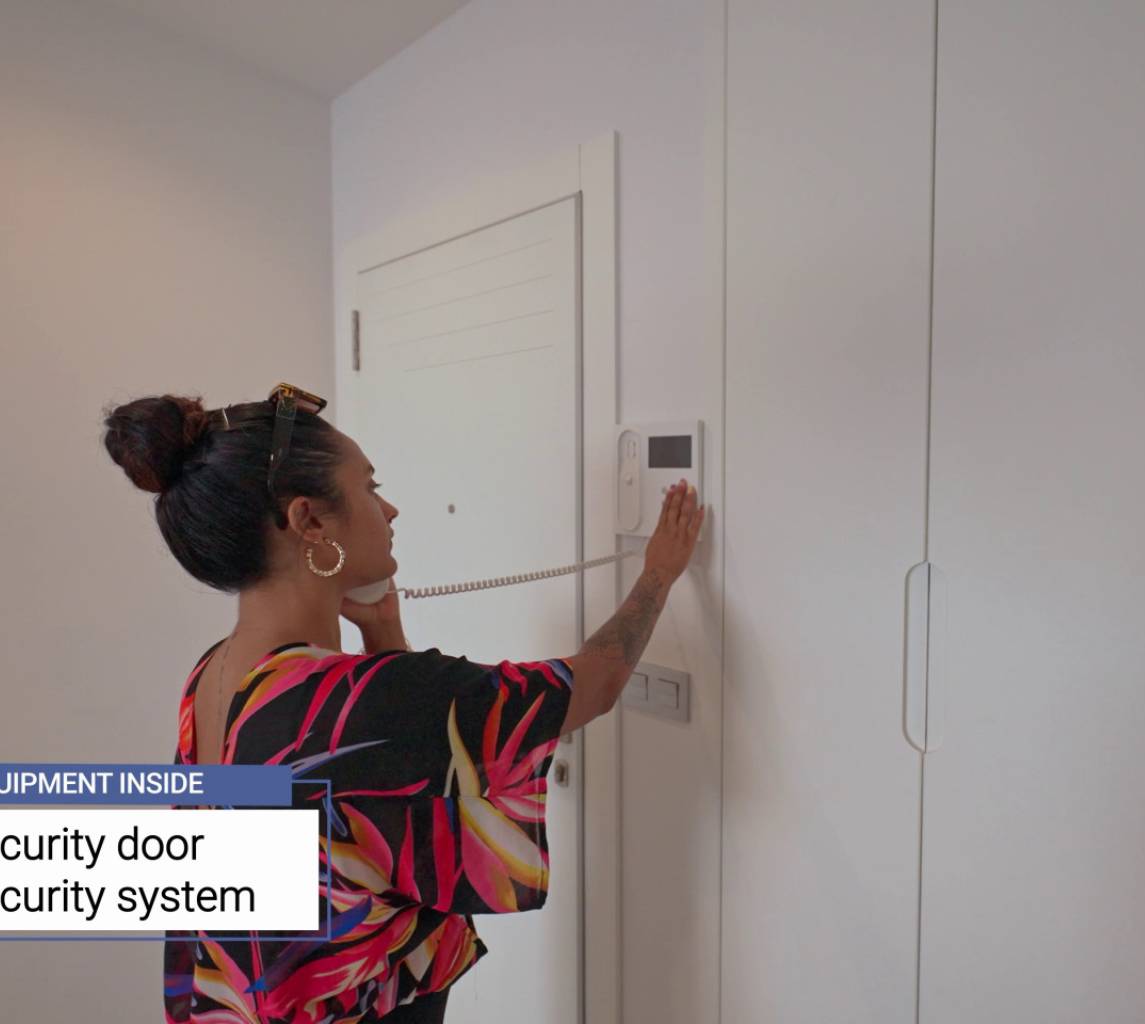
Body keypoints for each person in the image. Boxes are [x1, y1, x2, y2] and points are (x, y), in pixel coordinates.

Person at [99, 385, 705, 1024]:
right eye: (370, 486)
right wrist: (658, 573)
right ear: (309, 520)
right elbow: (595, 685)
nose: (389, 509)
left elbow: (377, 795)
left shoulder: (212, 673)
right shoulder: (372, 700)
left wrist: (384, 633)